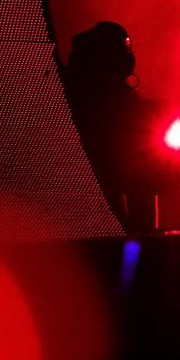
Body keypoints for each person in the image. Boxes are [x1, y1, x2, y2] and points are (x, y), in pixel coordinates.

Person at [59, 20, 160, 232]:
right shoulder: (81, 92)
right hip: (91, 171)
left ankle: (143, 238)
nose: (127, 52)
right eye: (121, 46)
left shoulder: (120, 93)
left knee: (143, 179)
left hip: (119, 165)